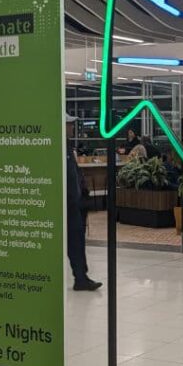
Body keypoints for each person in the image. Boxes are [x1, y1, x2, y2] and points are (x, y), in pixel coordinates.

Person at [66, 120, 102, 291]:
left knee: (77, 241)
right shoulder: (56, 145)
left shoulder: (67, 146)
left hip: (75, 203)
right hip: (65, 204)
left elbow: (74, 171)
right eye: (69, 124)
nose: (72, 127)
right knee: (73, 240)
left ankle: (81, 277)